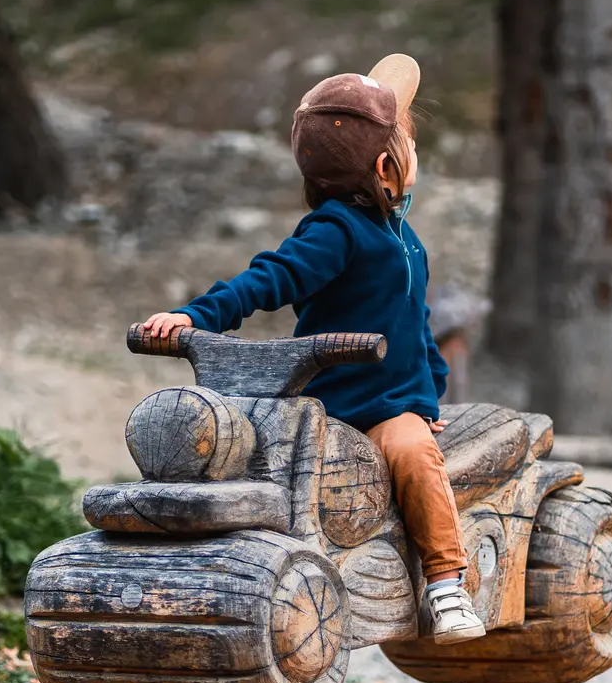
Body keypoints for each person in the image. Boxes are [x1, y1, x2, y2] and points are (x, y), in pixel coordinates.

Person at [138, 54, 484, 644]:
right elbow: (267, 279)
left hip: (398, 406)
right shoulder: (335, 231)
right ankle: (445, 583)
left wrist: (429, 393)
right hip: (340, 406)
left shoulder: (403, 237)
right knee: (411, 456)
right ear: (386, 165)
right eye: (408, 139)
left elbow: (414, 321)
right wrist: (195, 316)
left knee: (416, 447)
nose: (414, 148)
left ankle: (444, 583)